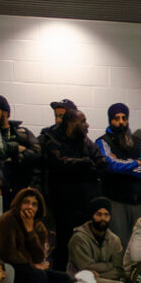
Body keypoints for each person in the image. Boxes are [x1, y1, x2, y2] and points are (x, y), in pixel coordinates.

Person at [42, 108, 104, 269]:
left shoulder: (85, 141)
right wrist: (85, 163)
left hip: (84, 205)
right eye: (82, 121)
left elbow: (101, 162)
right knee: (63, 247)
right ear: (70, 123)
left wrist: (83, 165)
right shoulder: (51, 139)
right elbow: (61, 163)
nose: (87, 125)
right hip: (62, 207)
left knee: (83, 247)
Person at [95, 103, 141, 246]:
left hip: (140, 201)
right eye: (117, 118)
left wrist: (123, 165)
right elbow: (111, 165)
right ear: (110, 120)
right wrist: (135, 163)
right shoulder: (103, 141)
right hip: (117, 200)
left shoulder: (138, 142)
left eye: (124, 118)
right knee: (119, 244)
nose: (121, 122)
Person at [0, 188, 68, 283]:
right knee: (38, 275)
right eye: (26, 202)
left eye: (34, 204)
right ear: (19, 203)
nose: (30, 207)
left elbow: (39, 257)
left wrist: (30, 231)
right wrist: (32, 265)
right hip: (10, 268)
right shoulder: (6, 220)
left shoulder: (38, 226)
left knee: (65, 279)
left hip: (30, 267)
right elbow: (8, 255)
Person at [0, 95, 41, 202]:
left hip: (20, 188)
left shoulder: (22, 133)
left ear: (5, 113)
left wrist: (20, 151)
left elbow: (37, 155)